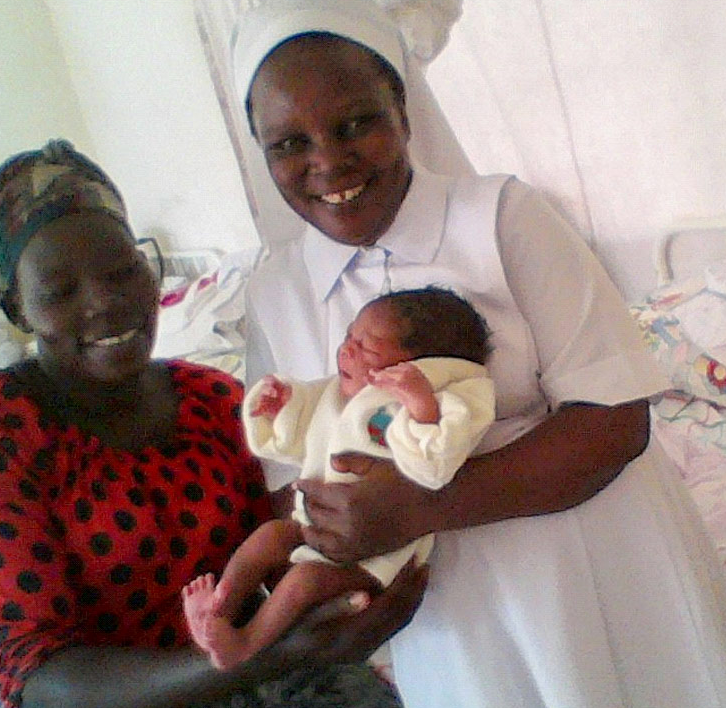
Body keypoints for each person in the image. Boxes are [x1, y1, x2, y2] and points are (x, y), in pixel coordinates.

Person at [232, 0, 726, 708]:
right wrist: (338, 582)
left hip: (596, 568)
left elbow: (614, 423)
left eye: (355, 120)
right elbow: (291, 478)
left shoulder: (501, 218)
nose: (327, 159)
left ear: (402, 107)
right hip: (449, 619)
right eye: (288, 141)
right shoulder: (275, 291)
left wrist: (420, 503)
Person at [0, 139, 447, 708]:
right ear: (16, 308)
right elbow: (42, 681)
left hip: (256, 688)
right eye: (60, 291)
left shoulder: (213, 401)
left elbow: (285, 545)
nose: (105, 302)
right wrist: (263, 654)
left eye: (121, 271)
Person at [183, 287, 495, 670]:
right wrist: (281, 409)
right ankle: (217, 612)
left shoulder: (434, 402)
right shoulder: (338, 394)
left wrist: (419, 402)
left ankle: (244, 645)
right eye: (349, 336)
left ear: (420, 367)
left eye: (367, 350)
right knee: (268, 536)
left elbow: (435, 463)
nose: (346, 351)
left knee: (304, 581)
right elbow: (302, 440)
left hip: (375, 556)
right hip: (315, 525)